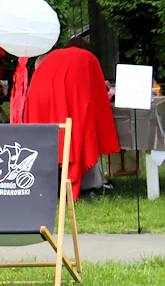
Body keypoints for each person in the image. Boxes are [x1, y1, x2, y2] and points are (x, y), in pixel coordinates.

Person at [24, 43, 119, 198]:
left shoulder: (52, 58)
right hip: (68, 99)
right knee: (82, 135)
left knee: (49, 140)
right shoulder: (88, 58)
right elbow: (98, 95)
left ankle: (48, 183)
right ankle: (89, 181)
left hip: (39, 100)